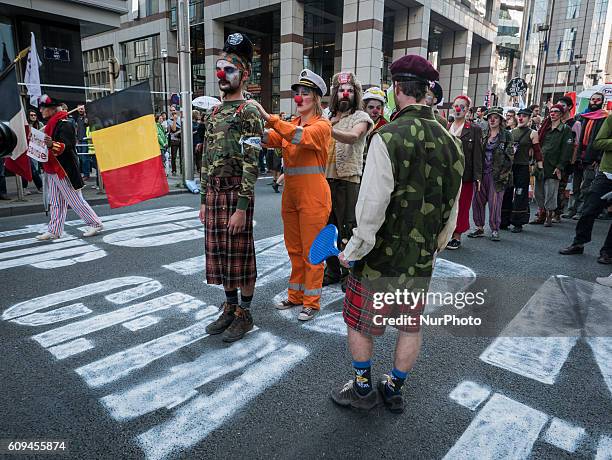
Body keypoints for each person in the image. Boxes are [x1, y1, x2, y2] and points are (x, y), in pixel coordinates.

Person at [329, 54, 464, 412]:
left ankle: (361, 389)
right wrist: (433, 249)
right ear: (425, 92)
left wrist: (353, 250)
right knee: (409, 326)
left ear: (397, 90)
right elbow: (450, 212)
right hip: (419, 261)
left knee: (360, 324)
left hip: (378, 259)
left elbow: (371, 207)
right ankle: (394, 387)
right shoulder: (453, 143)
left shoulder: (386, 137)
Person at [250, 69, 332, 321]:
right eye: (296, 93)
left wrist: (270, 117)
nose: (298, 97)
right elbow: (270, 138)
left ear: (316, 98)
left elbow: (301, 137)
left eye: (304, 94)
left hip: (314, 196)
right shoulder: (292, 125)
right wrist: (251, 123)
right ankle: (295, 296)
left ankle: (312, 302)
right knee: (294, 249)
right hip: (292, 195)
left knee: (312, 252)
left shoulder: (321, 125)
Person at [198, 33, 263, 343]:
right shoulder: (213, 113)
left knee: (241, 257)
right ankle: (230, 306)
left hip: (237, 194)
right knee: (221, 257)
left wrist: (242, 207)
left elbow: (253, 162)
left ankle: (245, 314)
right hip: (213, 195)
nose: (223, 74)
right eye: (220, 68)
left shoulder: (249, 111)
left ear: (245, 74)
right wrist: (202, 199)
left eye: (231, 69)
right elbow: (205, 158)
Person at [323, 72, 372, 289]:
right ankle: (332, 270)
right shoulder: (326, 115)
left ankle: (349, 274)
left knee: (347, 229)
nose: (345, 94)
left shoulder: (361, 117)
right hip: (324, 180)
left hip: (348, 181)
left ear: (356, 94)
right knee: (327, 228)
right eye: (342, 90)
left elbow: (353, 137)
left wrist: (326, 129)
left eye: (350, 91)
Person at [35, 94, 103, 241]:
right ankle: (54, 230)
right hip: (52, 168)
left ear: (52, 109)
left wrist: (52, 144)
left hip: (64, 169)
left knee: (75, 199)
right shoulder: (51, 124)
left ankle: (95, 223)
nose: (41, 111)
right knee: (55, 202)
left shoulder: (65, 123)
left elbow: (68, 145)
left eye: (43, 108)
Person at [560, 113, 612, 264]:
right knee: (589, 209)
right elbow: (598, 142)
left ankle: (608, 252)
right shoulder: (610, 118)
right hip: (607, 173)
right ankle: (578, 243)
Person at [467, 107, 514, 241]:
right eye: (490, 117)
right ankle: (479, 227)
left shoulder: (507, 135)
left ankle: (494, 229)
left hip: (497, 175)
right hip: (481, 173)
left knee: (495, 204)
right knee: (477, 201)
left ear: (500, 120)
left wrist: (503, 176)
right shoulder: (483, 133)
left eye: (496, 117)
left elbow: (510, 158)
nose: (492, 120)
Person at [563, 92, 608, 220]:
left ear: (602, 102)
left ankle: (581, 211)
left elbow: (602, 140)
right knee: (575, 185)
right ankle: (571, 209)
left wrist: (598, 158)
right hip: (578, 156)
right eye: (593, 99)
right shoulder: (581, 116)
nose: (594, 102)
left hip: (592, 156)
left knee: (587, 185)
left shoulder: (604, 118)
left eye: (598, 100)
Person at [447, 94, 483, 249]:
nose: (458, 109)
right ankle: (446, 234)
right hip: (448, 174)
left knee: (462, 205)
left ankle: (457, 236)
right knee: (448, 205)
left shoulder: (474, 129)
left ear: (468, 110)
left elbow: (477, 154)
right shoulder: (446, 127)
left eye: (462, 106)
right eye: (456, 105)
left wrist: (477, 176)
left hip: (465, 175)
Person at [529, 103, 573, 227]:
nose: (553, 114)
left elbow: (567, 150)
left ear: (561, 114)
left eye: (556, 112)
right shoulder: (545, 128)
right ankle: (541, 213)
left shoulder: (565, 129)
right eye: (551, 111)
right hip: (540, 164)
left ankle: (549, 215)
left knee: (551, 192)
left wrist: (560, 166)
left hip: (553, 165)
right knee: (538, 192)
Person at [500, 107, 542, 232]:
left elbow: (538, 151)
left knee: (520, 194)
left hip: (523, 167)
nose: (521, 118)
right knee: (507, 193)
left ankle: (518, 223)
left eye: (524, 116)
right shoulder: (511, 132)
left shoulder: (533, 133)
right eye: (520, 115)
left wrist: (540, 167)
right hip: (510, 167)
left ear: (529, 119)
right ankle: (504, 221)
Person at [554, 95, 581, 221]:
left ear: (569, 107)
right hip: (552, 159)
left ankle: (557, 213)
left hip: (565, 161)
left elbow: (576, 145)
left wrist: (572, 161)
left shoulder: (575, 123)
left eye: (563, 106)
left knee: (561, 187)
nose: (560, 108)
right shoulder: (554, 121)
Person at [23, 108, 43, 194]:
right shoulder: (25, 125)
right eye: (31, 115)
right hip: (26, 149)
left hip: (36, 149)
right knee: (26, 169)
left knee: (35, 169)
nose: (33, 117)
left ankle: (40, 186)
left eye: (35, 115)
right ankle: (25, 188)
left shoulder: (39, 124)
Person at [72, 104, 90, 180]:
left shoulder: (87, 117)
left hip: (85, 140)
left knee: (85, 158)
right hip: (78, 140)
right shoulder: (77, 118)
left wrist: (86, 116)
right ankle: (84, 174)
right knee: (81, 158)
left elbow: (87, 124)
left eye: (82, 108)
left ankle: (86, 174)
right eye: (79, 109)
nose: (80, 110)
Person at [167, 105, 182, 175]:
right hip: (174, 140)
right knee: (174, 156)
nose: (173, 112)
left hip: (181, 139)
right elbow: (173, 129)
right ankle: (174, 170)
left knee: (182, 156)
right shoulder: (169, 120)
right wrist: (174, 120)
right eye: (171, 110)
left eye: (174, 110)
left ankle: (182, 170)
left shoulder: (180, 118)